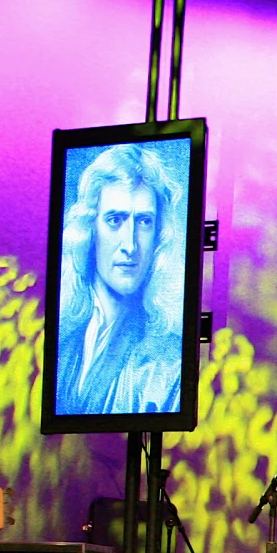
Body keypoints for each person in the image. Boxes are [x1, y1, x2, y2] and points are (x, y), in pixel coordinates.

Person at [52, 142, 185, 416]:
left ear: (159, 235)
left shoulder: (167, 364)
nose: (130, 245)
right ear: (90, 228)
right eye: (115, 220)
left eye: (144, 222)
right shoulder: (60, 342)